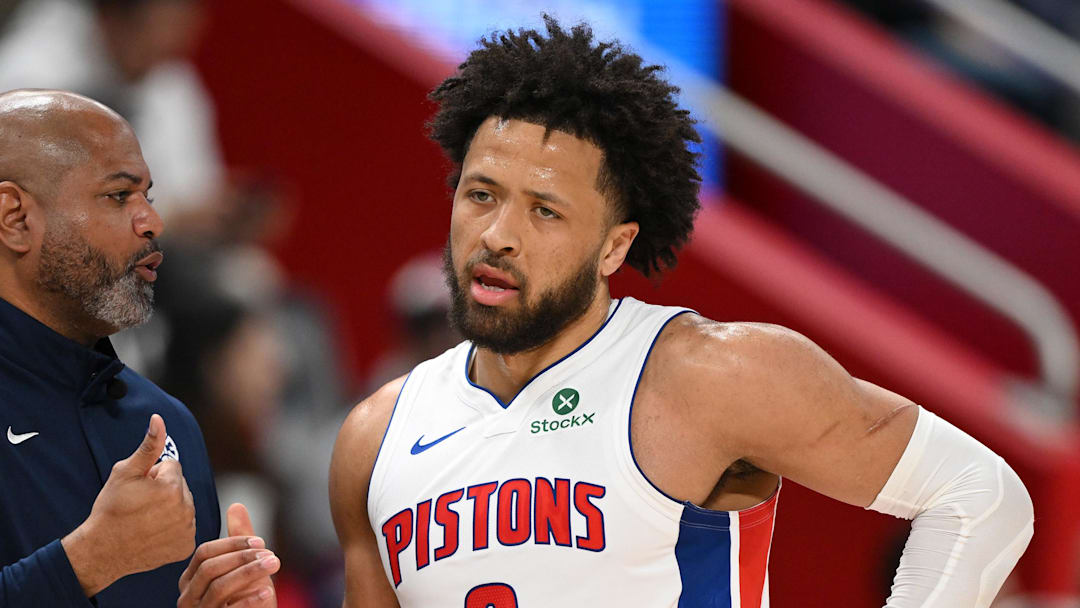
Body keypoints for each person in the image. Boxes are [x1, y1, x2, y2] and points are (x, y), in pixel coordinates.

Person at [329, 17, 1035, 607]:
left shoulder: (711, 374)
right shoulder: (375, 440)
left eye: (545, 210)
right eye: (481, 195)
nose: (497, 235)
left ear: (614, 246)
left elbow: (979, 495)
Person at [0, 89, 278, 607]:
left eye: (148, 195)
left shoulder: (166, 422)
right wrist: (88, 560)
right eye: (118, 195)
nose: (152, 222)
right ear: (15, 217)